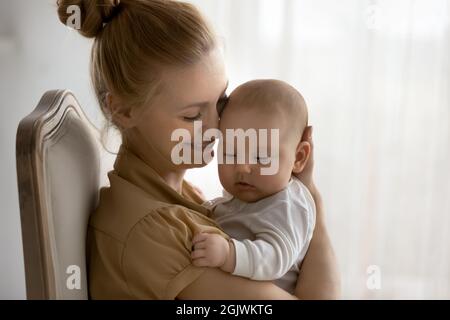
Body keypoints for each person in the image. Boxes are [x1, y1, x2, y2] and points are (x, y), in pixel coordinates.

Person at [56, 0, 340, 299]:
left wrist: (300, 188)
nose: (218, 126)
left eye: (221, 103)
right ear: (124, 111)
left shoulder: (185, 196)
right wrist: (310, 197)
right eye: (192, 116)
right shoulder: (154, 231)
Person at [191, 79, 316, 295]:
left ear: (298, 157)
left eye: (260, 156)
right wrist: (207, 208)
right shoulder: (249, 195)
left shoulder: (288, 204)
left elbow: (276, 257)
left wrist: (229, 254)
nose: (243, 167)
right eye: (231, 153)